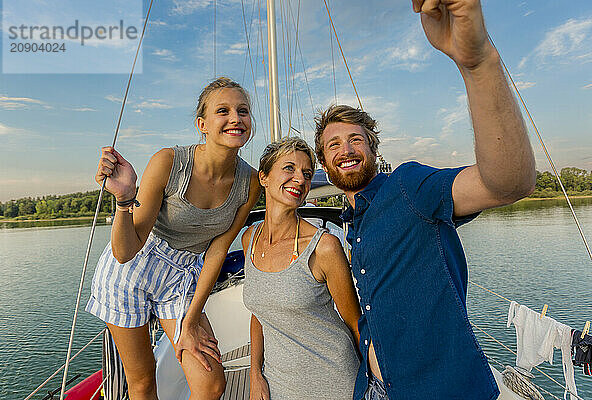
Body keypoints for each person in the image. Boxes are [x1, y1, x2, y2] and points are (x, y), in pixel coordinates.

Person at [313, 1, 536, 399]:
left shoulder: (408, 186)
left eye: (355, 139)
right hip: (379, 387)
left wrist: (478, 64)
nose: (345, 149)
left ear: (373, 150)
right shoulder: (353, 221)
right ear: (324, 161)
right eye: (333, 145)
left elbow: (508, 183)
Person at [86, 77, 261, 400]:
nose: (236, 118)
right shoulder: (169, 162)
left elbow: (218, 250)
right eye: (223, 111)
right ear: (202, 124)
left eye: (243, 110)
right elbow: (125, 252)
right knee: (142, 383)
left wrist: (191, 321)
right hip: (131, 270)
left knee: (210, 384)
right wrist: (124, 199)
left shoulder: (249, 182)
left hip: (182, 276)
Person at [241, 137, 361, 400]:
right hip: (278, 381)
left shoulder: (324, 247)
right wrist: (255, 375)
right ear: (264, 177)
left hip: (333, 379)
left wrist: (374, 381)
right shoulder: (249, 239)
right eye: (289, 169)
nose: (300, 179)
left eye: (307, 174)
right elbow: (259, 313)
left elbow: (355, 323)